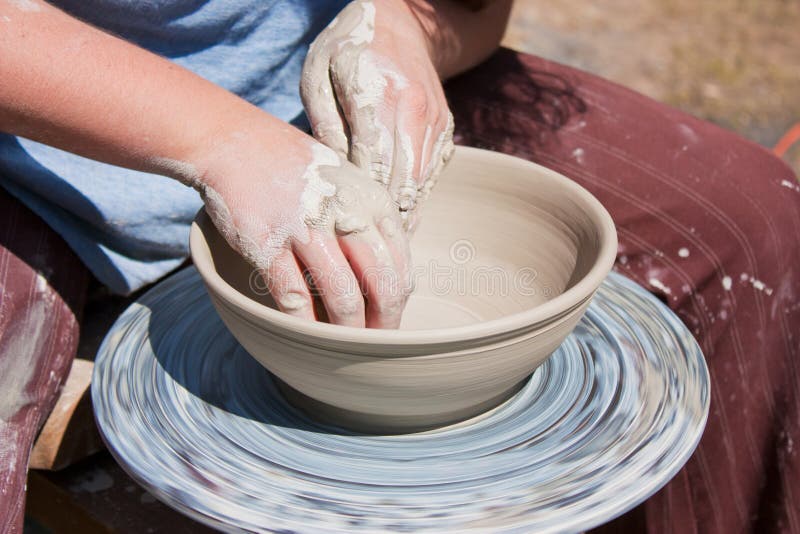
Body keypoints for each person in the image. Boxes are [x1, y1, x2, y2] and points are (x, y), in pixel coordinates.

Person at [0, 0, 798, 532]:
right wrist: (221, 140)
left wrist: (413, 22)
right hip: (41, 144)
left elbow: (471, 8)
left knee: (759, 224)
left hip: (336, 92)